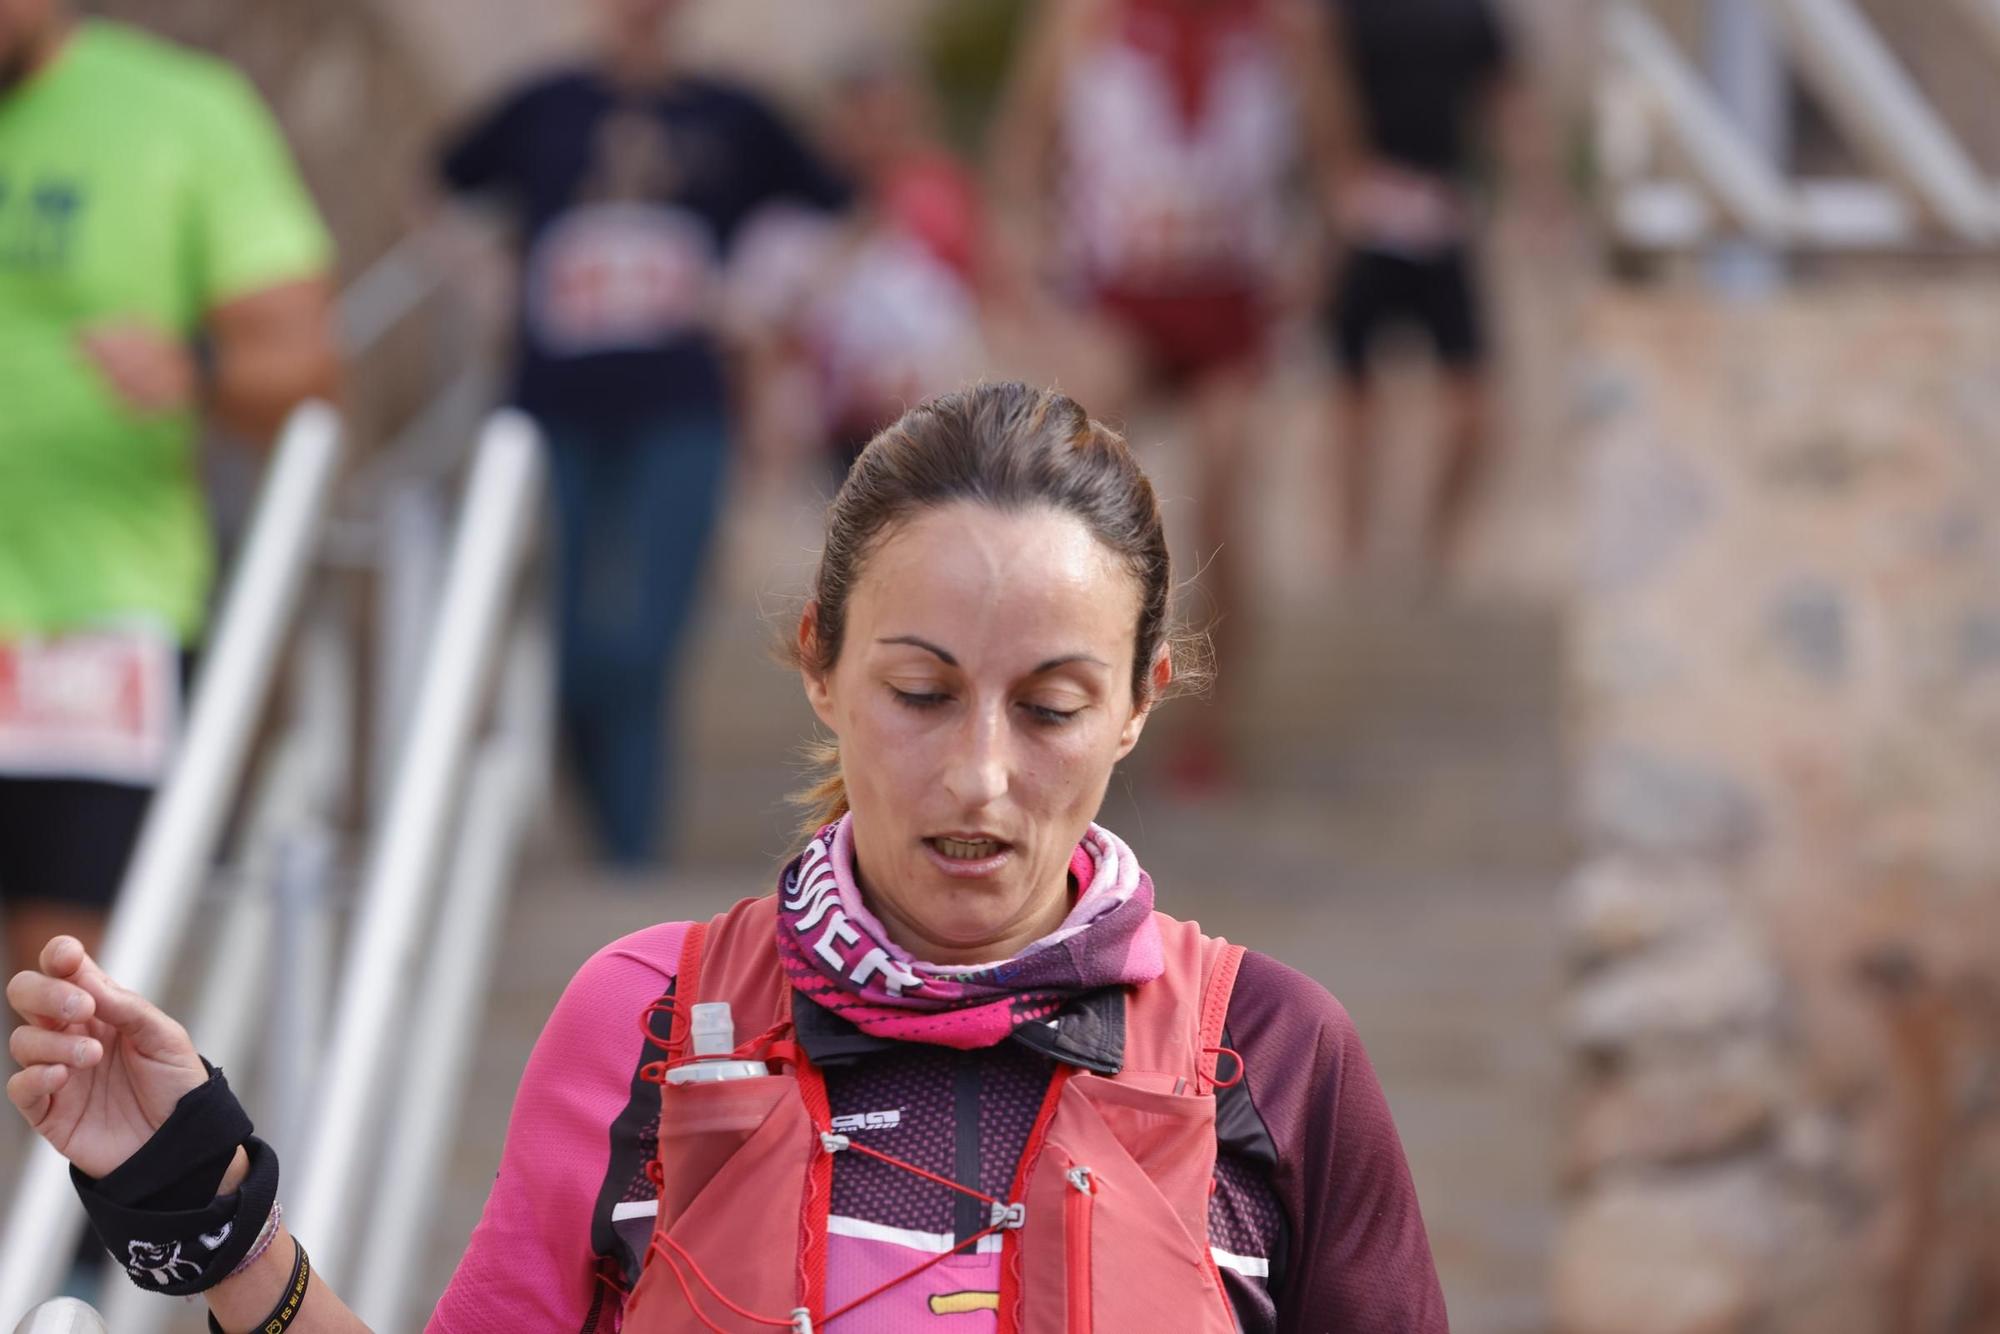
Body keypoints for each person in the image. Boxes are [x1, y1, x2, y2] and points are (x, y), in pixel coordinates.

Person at [8, 382, 1449, 1333]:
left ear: (1142, 700)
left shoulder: (1276, 1058)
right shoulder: (640, 1017)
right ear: (817, 664)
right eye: (922, 690)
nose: (981, 773)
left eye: (1055, 705)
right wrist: (207, 1205)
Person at [431, 0, 849, 871]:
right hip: (555, 405)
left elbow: (836, 206)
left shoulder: (733, 111)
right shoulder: (543, 104)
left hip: (682, 405)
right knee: (576, 634)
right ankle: (614, 833)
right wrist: (490, 286)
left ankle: (632, 850)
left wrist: (760, 305)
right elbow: (438, 185)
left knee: (648, 631)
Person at [0, 0, 337, 986]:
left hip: (94, 613)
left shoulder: (181, 110)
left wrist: (194, 368)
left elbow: (310, 372)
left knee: (65, 979)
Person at [987, 0, 1355, 795]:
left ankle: (1210, 720)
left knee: (1224, 491)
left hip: (1235, 298)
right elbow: (1020, 149)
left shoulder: (1287, 23)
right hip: (1118, 294)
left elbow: (1336, 162)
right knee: (1071, 487)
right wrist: (1034, 282)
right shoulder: (1084, 16)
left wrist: (1316, 266)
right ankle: (1051, 691)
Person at [1321, 0, 1559, 572]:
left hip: (1442, 220)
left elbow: (1507, 100)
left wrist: (1538, 191)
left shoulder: (1472, 14)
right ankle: (1350, 561)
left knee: (1476, 409)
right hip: (1366, 219)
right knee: (1354, 406)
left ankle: (1434, 556)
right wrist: (1334, 186)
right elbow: (1317, 90)